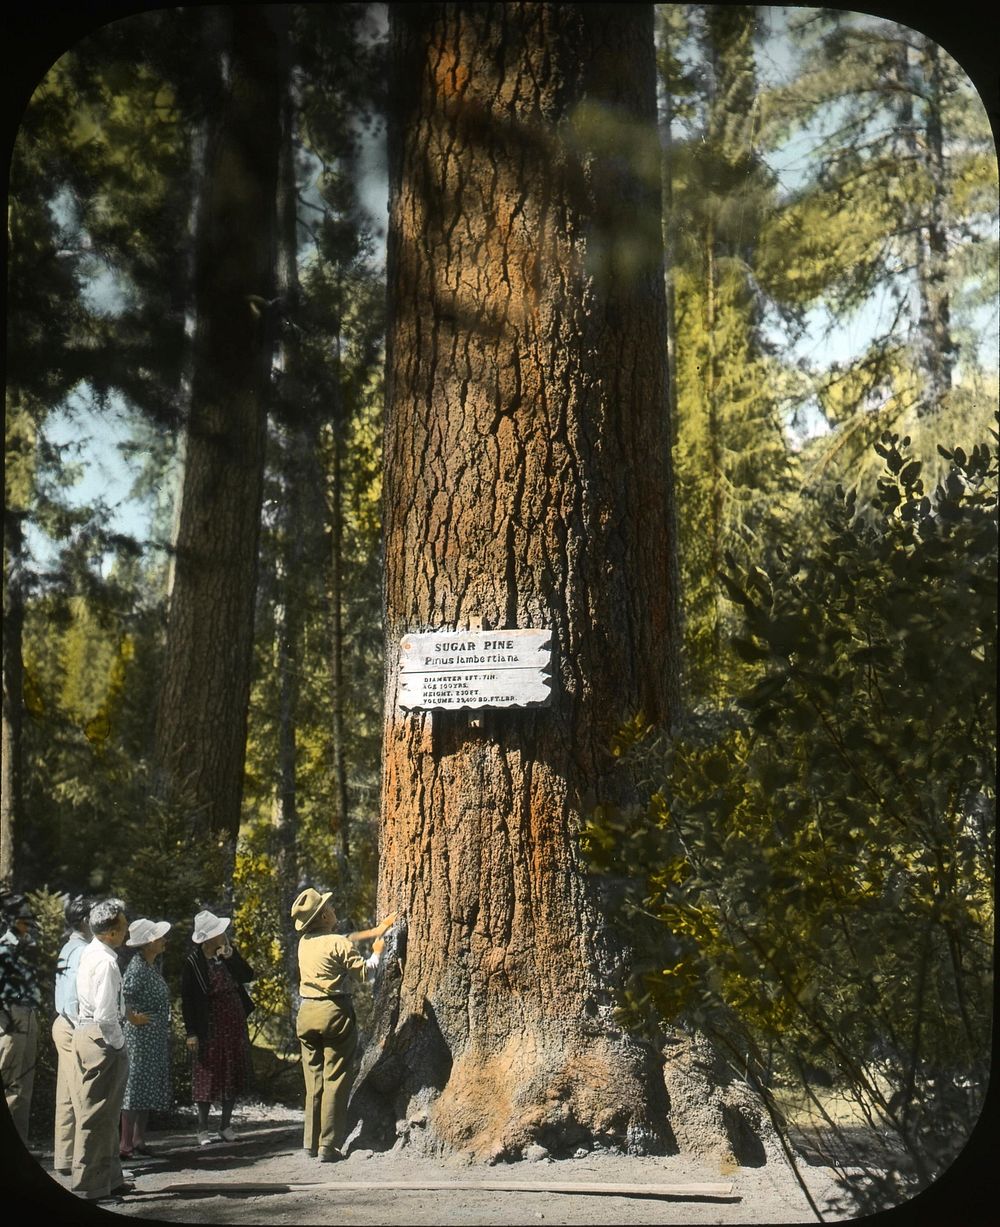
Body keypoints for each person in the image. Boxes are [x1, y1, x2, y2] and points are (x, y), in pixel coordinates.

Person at [290, 887, 395, 1162]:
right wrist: (378, 949)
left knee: (313, 1082)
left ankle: (310, 1143)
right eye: (330, 907)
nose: (334, 910)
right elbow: (364, 973)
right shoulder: (338, 942)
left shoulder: (304, 943)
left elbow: (331, 948)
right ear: (324, 915)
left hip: (307, 1014)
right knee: (334, 1079)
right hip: (334, 1012)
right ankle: (328, 1145)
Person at [71, 897, 150, 1206]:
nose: (128, 927)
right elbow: (105, 1015)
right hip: (101, 1038)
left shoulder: (94, 953)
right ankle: (88, 1187)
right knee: (96, 1115)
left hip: (91, 1033)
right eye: (124, 924)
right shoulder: (104, 961)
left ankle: (110, 1179)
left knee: (108, 1113)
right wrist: (117, 1045)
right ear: (111, 932)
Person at [181, 909, 255, 1146]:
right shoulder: (193, 963)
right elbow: (188, 999)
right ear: (208, 937)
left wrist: (231, 957)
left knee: (231, 1071)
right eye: (218, 932)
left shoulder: (227, 954)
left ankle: (225, 1125)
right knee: (208, 1074)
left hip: (233, 1020)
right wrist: (191, 1032)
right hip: (209, 1022)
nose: (223, 935)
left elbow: (247, 975)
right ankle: (202, 1129)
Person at [120, 918, 172, 1159]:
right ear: (148, 943)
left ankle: (139, 1139)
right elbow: (123, 998)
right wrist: (132, 1018)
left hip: (153, 1036)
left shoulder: (149, 965)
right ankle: (125, 1144)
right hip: (139, 1037)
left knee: (146, 1087)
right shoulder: (137, 968)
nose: (164, 941)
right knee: (134, 1087)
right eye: (159, 938)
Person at [51, 895, 92, 1174]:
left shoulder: (69, 947)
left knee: (67, 1095)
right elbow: (75, 998)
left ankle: (65, 1159)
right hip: (73, 1026)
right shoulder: (81, 951)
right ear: (87, 921)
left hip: (62, 1024)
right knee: (83, 1097)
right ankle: (84, 1163)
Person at [0, 892, 41, 1146]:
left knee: (24, 1087)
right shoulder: (4, 946)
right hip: (10, 1018)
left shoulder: (27, 944)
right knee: (11, 1087)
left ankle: (21, 1145)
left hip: (28, 1014)